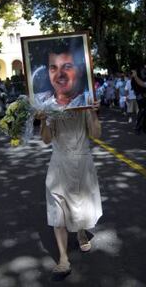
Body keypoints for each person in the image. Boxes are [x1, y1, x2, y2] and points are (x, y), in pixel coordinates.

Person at [38, 100, 102, 278]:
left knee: (80, 206)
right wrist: (43, 120)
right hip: (59, 163)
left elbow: (96, 134)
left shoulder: (84, 104)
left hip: (82, 161)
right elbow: (46, 140)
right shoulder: (51, 106)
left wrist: (94, 112)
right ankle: (63, 259)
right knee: (57, 212)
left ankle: (81, 232)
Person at [35, 39, 91, 108]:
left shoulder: (89, 101)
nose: (60, 74)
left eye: (67, 67)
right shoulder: (38, 102)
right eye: (53, 68)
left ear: (80, 71)